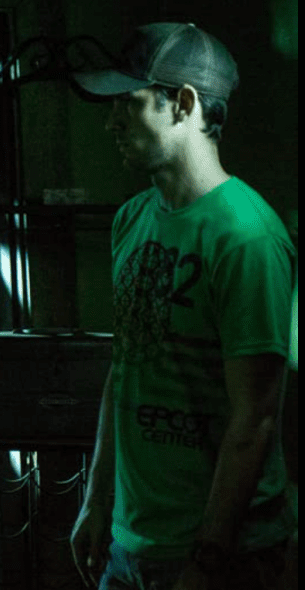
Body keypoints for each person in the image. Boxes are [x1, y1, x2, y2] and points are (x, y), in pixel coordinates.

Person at [68, 23, 296, 590]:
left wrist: (208, 560)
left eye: (129, 102)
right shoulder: (131, 220)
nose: (111, 121)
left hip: (226, 555)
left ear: (184, 104)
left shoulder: (246, 236)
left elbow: (255, 417)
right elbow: (126, 367)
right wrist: (97, 500)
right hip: (131, 543)